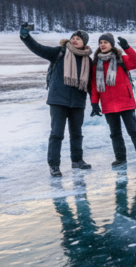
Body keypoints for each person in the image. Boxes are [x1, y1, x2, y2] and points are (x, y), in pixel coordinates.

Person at [19, 24, 93, 177]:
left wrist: (95, 103)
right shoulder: (59, 52)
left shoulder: (88, 60)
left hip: (78, 101)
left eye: (78, 39)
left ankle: (77, 160)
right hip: (58, 100)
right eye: (73, 37)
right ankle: (54, 165)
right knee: (57, 134)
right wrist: (26, 37)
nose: (74, 40)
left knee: (77, 133)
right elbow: (39, 48)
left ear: (84, 43)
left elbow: (92, 84)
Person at [90, 33, 136, 168]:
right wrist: (94, 103)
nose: (102, 45)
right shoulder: (96, 64)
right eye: (100, 43)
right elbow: (94, 86)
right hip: (108, 104)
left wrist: (127, 47)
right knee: (115, 134)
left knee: (133, 132)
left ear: (111, 44)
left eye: (105, 42)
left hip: (125, 102)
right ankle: (121, 159)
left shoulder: (121, 60)